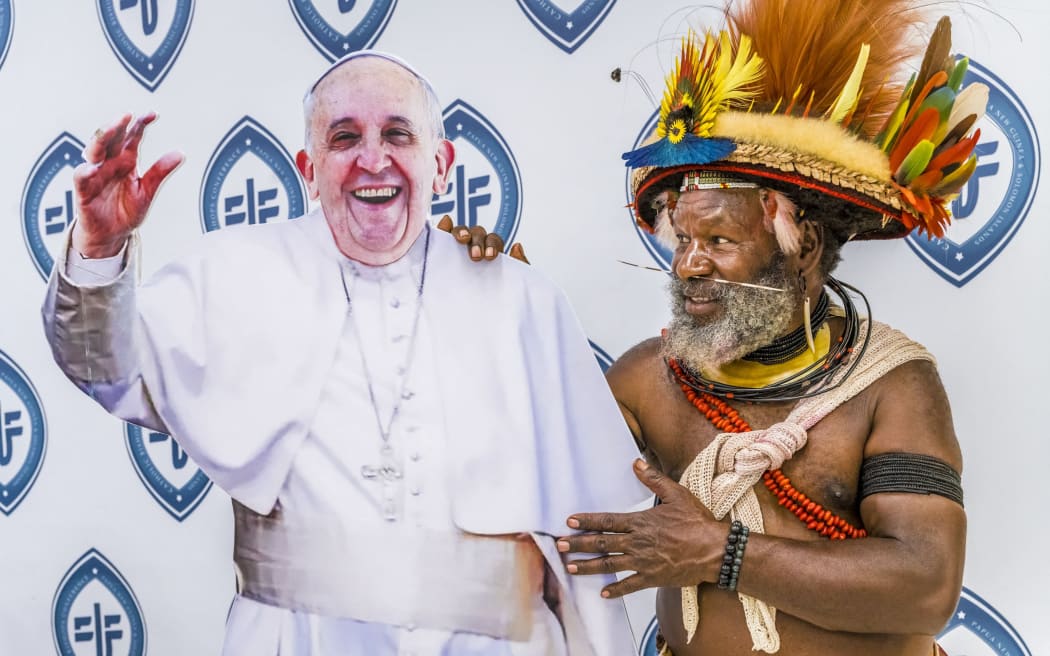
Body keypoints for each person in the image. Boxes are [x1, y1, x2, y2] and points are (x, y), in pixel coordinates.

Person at [41, 51, 649, 655]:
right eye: (344, 138)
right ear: (309, 168)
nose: (372, 159)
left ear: (440, 165)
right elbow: (106, 366)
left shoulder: (524, 300)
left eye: (397, 134)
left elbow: (590, 536)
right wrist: (99, 247)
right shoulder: (231, 274)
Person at [552, 2, 979, 655]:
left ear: (802, 245)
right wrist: (484, 300)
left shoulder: (893, 386)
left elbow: (925, 585)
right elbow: (529, 477)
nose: (689, 263)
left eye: (719, 239)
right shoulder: (646, 379)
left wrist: (719, 553)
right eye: (683, 238)